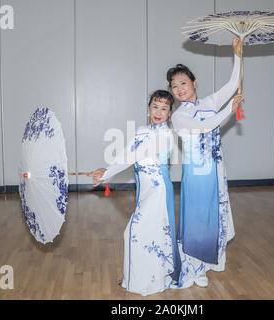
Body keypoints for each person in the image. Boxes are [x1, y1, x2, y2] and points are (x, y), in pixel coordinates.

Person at [166, 37, 244, 288]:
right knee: (198, 217)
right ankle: (194, 266)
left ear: (193, 83)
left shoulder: (208, 103)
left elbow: (233, 84)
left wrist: (238, 55)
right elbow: (204, 127)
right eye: (174, 86)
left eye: (183, 83)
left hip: (216, 167)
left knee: (216, 213)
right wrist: (229, 109)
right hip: (197, 172)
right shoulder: (178, 116)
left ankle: (211, 260)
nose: (179, 89)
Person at [90, 90, 181, 296]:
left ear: (169, 113)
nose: (159, 112)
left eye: (164, 108)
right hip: (144, 190)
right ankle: (138, 278)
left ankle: (151, 279)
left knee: (135, 231)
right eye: (155, 107)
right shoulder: (141, 130)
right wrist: (106, 170)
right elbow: (126, 152)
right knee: (146, 233)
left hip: (158, 190)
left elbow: (135, 155)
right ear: (149, 109)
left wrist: (107, 173)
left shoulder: (166, 135)